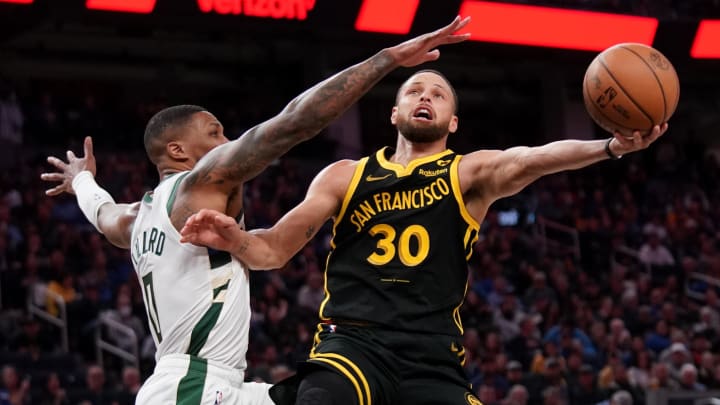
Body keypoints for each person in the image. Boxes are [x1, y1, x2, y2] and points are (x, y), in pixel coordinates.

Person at [40, 17, 471, 405]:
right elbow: (295, 122)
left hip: (218, 384)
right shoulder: (201, 183)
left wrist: (81, 179)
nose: (227, 139)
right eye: (215, 132)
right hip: (194, 387)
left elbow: (101, 212)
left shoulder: (135, 218)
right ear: (178, 150)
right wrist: (387, 60)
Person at [179, 68, 669, 405]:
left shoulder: (466, 173)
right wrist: (236, 241)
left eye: (438, 94)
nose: (425, 97)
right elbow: (273, 250)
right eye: (415, 90)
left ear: (453, 122)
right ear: (394, 113)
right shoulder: (345, 176)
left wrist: (608, 146)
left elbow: (532, 158)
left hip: (432, 354)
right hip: (352, 344)